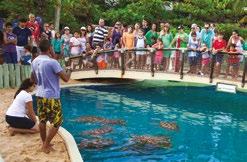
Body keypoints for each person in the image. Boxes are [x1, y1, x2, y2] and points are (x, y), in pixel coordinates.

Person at [31, 39, 71, 153]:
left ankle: (45, 143)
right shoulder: (52, 62)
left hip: (39, 95)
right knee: (58, 122)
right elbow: (66, 78)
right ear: (49, 48)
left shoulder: (34, 61)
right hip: (52, 96)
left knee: (42, 120)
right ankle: (46, 145)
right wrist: (70, 69)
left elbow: (32, 79)